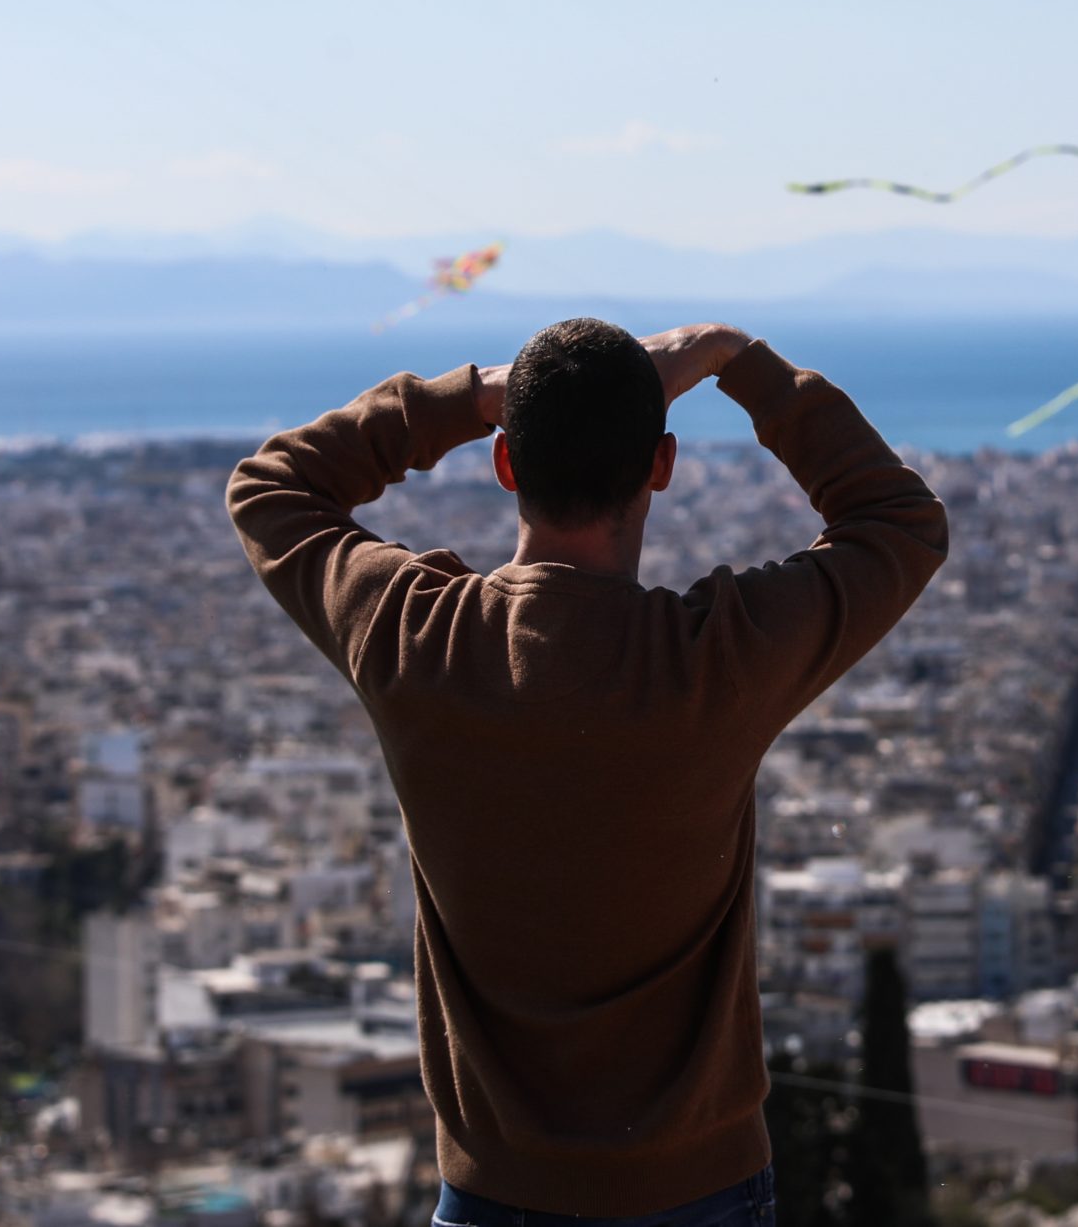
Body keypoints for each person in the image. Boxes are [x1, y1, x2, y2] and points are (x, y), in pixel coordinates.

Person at [228, 320, 948, 1222]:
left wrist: (475, 394)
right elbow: (901, 522)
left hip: (493, 1192)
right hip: (699, 1192)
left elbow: (271, 485)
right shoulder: (715, 660)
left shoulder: (415, 636)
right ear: (661, 465)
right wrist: (740, 362)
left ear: (505, 464)